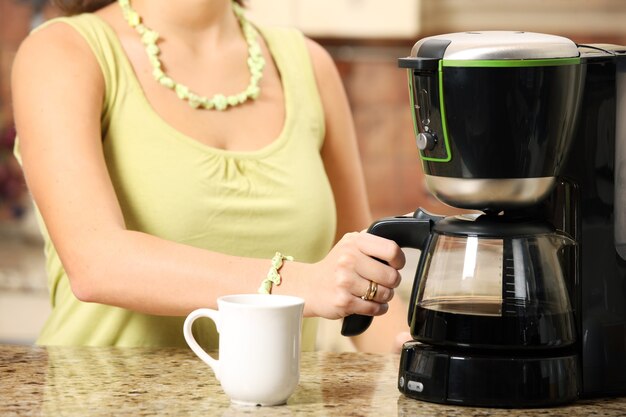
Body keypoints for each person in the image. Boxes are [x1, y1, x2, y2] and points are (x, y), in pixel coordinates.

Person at [11, 0, 410, 351]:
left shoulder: (308, 65)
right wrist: (299, 282)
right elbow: (95, 261)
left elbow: (362, 282)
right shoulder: (63, 52)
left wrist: (413, 352)